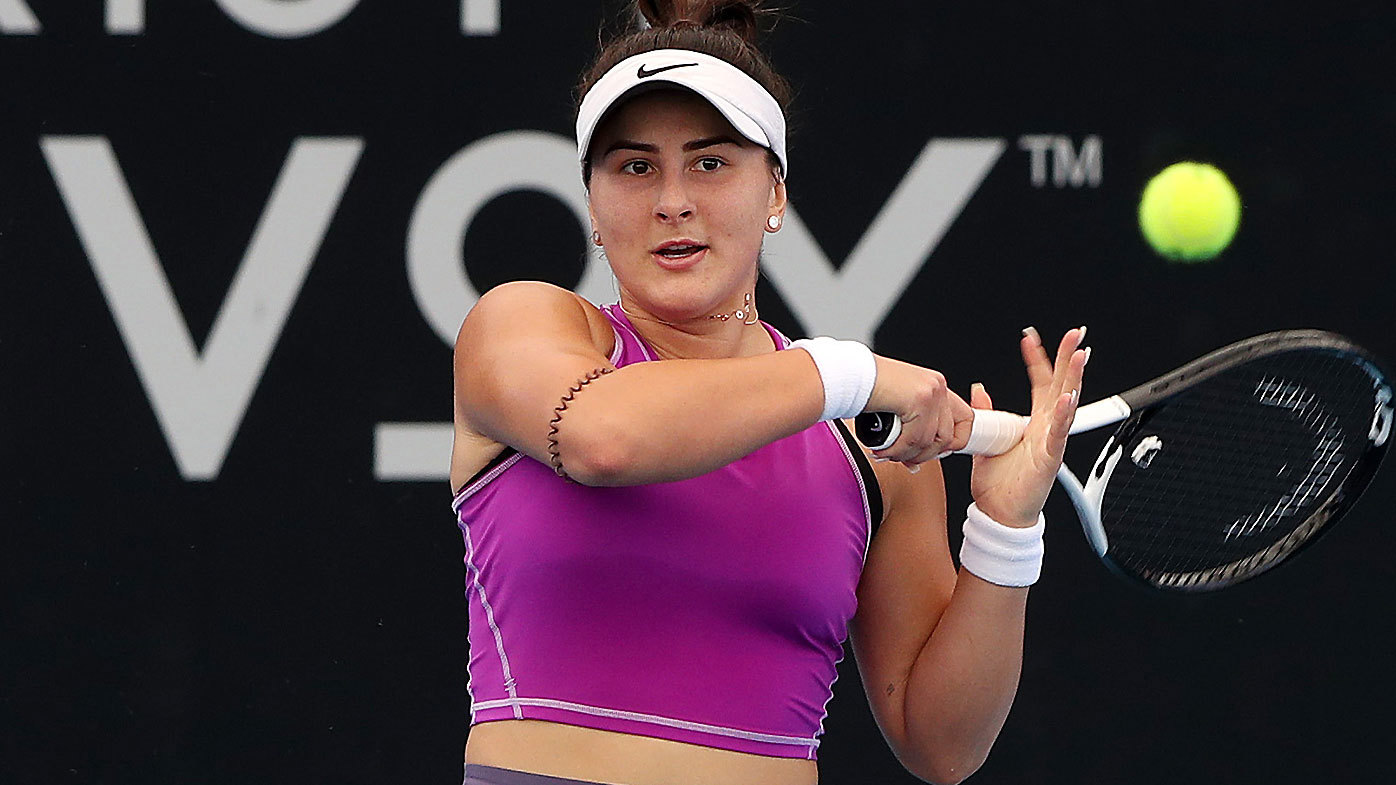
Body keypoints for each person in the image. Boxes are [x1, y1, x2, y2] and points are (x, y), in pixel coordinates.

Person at [448, 2, 1087, 783]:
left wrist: (1005, 528)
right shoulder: (520, 325)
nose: (672, 200)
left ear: (775, 192)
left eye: (711, 163)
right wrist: (852, 372)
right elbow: (602, 438)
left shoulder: (874, 452)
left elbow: (943, 743)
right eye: (634, 166)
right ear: (592, 203)